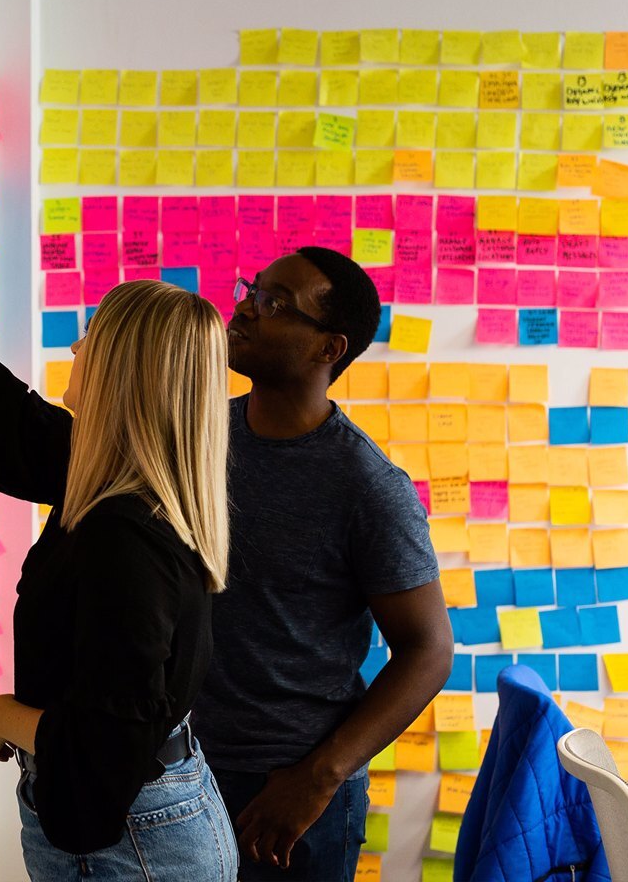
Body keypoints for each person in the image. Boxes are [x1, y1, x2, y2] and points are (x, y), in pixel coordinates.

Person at [0, 206, 239, 882]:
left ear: (123, 371)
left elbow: (106, 746)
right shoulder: (124, 477)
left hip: (136, 844)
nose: (75, 349)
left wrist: (5, 715)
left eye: (89, 336)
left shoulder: (125, 537)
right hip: (152, 821)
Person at [191, 246, 455, 881]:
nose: (246, 311)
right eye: (252, 291)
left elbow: (429, 651)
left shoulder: (366, 485)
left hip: (288, 790)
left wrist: (318, 779)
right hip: (183, 769)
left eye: (276, 304)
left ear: (327, 349)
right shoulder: (200, 434)